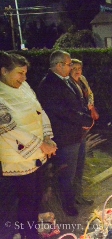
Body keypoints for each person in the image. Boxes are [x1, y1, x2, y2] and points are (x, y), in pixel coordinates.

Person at [0, 52, 57, 239]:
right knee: (18, 206)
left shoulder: (24, 87)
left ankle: (31, 235)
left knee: (33, 202)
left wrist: (47, 137)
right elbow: (8, 129)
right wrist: (41, 145)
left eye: (25, 73)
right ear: (3, 71)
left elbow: (39, 110)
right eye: (19, 73)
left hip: (36, 157)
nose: (24, 78)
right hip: (16, 162)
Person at [37, 50, 93, 216]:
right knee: (67, 174)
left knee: (77, 170)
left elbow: (77, 102)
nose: (71, 67)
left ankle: (78, 197)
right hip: (66, 137)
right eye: (69, 64)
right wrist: (83, 119)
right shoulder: (49, 84)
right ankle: (69, 205)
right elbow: (61, 111)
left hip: (77, 135)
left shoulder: (67, 80)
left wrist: (85, 116)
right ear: (58, 65)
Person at [69, 58, 97, 205]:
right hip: (74, 128)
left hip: (84, 126)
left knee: (80, 164)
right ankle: (71, 200)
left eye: (80, 68)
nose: (77, 71)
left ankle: (79, 196)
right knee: (71, 168)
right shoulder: (67, 83)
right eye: (74, 68)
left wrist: (90, 103)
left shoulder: (82, 79)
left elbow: (90, 93)